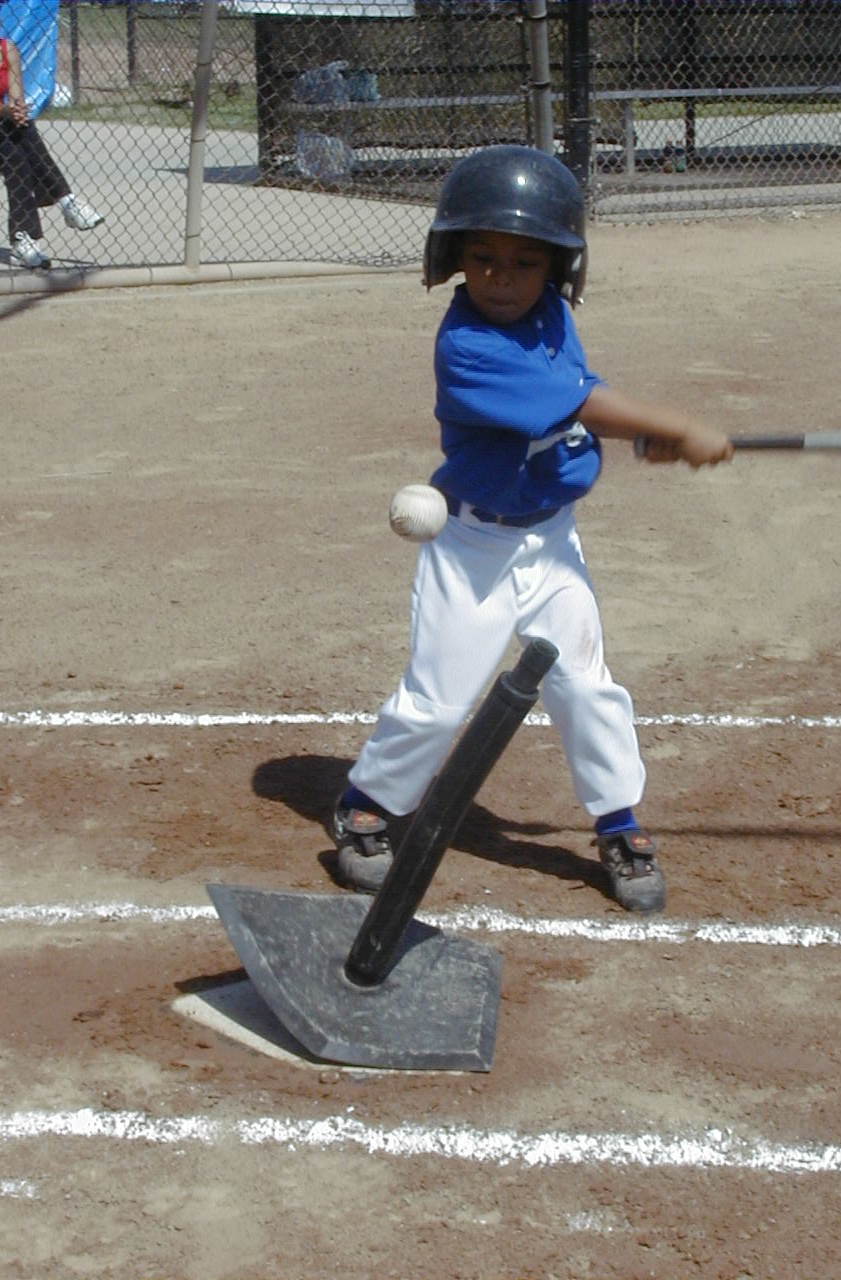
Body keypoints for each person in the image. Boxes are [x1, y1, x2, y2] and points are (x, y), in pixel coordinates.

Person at [331, 144, 733, 912]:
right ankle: (366, 805)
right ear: (453, 258)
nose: (502, 278)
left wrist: (638, 437)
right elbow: (575, 404)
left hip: (551, 542)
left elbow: (578, 395)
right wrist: (674, 425)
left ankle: (617, 822)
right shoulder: (468, 345)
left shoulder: (549, 313)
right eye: (482, 257)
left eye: (525, 261)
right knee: (442, 698)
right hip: (473, 550)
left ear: (557, 267)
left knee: (585, 684)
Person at [0, 0, 104, 268]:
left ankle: (23, 240)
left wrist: (17, 111)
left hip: (1, 137)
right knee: (12, 129)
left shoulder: (8, 49)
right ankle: (65, 199)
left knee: (16, 152)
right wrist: (6, 111)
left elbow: (17, 101)